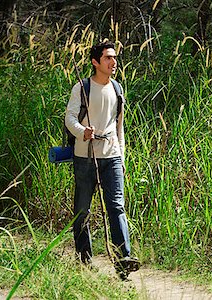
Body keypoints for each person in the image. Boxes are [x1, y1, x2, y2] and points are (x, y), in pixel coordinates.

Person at [65, 41, 138, 278]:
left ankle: (123, 260)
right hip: (84, 156)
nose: (113, 62)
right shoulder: (82, 87)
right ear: (95, 62)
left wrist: (122, 157)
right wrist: (82, 132)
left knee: (117, 207)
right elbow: (70, 118)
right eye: (108, 58)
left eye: (114, 57)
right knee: (82, 210)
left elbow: (120, 127)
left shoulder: (117, 89)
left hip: (112, 156)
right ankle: (84, 260)